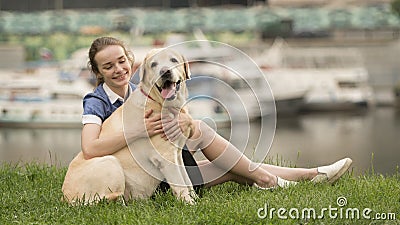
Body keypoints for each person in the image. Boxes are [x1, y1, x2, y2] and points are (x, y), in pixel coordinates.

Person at [81, 36, 352, 192]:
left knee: (204, 134)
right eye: (108, 67)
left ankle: (307, 174)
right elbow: (90, 148)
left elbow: (172, 124)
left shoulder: (145, 89)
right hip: (144, 177)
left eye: (122, 61)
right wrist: (141, 130)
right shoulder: (96, 102)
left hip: (165, 161)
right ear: (98, 73)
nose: (118, 69)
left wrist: (185, 120)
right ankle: (301, 176)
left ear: (132, 62)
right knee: (227, 162)